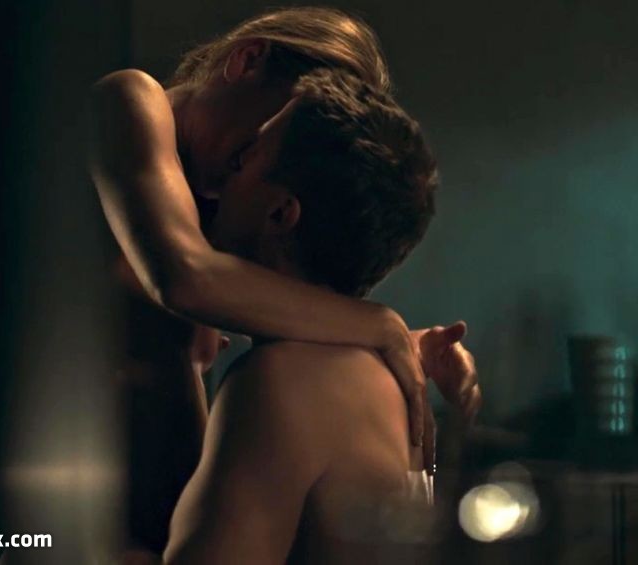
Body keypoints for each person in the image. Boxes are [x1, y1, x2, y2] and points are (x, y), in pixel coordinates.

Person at [88, 7, 480, 556]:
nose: (241, 164)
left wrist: (395, 348)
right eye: (265, 135)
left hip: (159, 518)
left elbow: (304, 335)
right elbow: (185, 278)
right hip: (68, 496)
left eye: (265, 147)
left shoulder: (223, 223)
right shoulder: (133, 105)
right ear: (248, 61)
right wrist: (378, 325)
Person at [165, 67, 437, 564]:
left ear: (280, 214)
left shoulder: (278, 381)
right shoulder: (392, 382)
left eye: (246, 157)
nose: (224, 170)